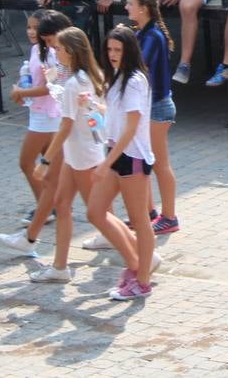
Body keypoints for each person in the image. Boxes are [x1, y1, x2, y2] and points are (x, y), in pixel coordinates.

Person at [25, 27, 110, 283]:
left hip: (82, 155)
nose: (55, 51)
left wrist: (46, 160)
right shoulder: (89, 76)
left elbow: (65, 126)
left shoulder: (76, 83)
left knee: (98, 213)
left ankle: (141, 255)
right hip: (80, 153)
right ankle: (60, 267)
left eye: (59, 48)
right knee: (63, 205)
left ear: (70, 51)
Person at [87, 26, 159, 302]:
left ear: (129, 50)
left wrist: (106, 163)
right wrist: (93, 108)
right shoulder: (115, 78)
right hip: (116, 153)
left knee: (139, 219)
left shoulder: (136, 80)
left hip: (132, 157)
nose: (113, 55)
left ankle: (142, 281)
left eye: (118, 50)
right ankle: (136, 263)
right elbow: (115, 116)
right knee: (95, 212)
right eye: (110, 49)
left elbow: (132, 126)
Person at [0, 10, 71, 255]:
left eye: (35, 28)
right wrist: (24, 93)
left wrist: (21, 93)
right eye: (28, 27)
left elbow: (50, 88)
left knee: (28, 163)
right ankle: (45, 209)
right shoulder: (37, 50)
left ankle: (44, 209)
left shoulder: (53, 53)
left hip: (48, 117)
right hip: (40, 114)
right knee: (49, 174)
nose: (30, 32)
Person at [127, 0, 179, 235]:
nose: (126, 7)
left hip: (158, 107)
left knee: (159, 163)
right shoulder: (141, 33)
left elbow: (139, 66)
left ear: (143, 9)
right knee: (144, 161)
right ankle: (147, 213)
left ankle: (169, 217)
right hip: (149, 106)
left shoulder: (153, 36)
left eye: (130, 3)